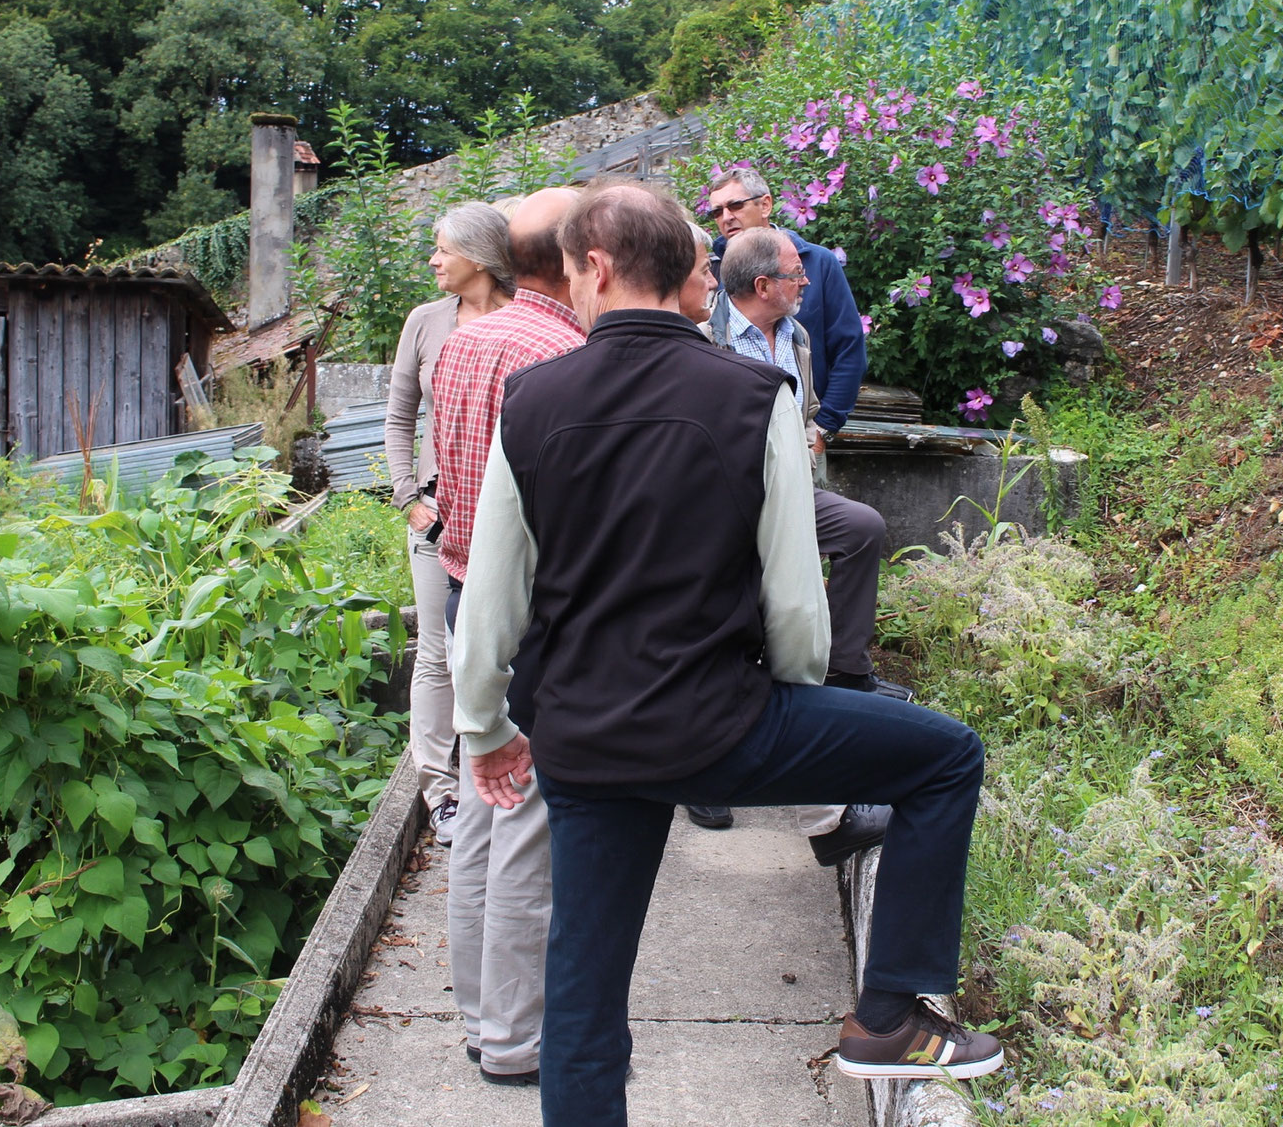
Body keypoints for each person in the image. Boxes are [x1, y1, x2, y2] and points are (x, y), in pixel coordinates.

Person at [451, 183, 999, 1127]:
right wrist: (796, 706)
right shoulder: (754, 395)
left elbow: (496, 591)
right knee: (945, 757)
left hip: (584, 740)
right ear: (681, 272)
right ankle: (887, 1017)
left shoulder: (532, 398)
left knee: (582, 989)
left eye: (572, 271)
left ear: (597, 268)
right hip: (721, 726)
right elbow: (795, 599)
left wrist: (484, 725)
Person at [431, 186, 586, 1088]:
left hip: (463, 592)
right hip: (524, 605)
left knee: (482, 805)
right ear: (569, 259)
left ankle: (476, 1016)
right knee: (526, 815)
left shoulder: (467, 338)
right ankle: (515, 1039)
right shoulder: (558, 352)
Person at [692, 226, 891, 866]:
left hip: (792, 490)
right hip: (725, 500)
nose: (806, 281)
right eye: (794, 274)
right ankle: (703, 775)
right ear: (762, 285)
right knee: (734, 591)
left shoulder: (797, 336)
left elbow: (803, 411)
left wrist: (812, 436)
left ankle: (845, 672)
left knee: (861, 528)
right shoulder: (705, 336)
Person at [383, 202, 516, 848]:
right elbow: (398, 417)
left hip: (510, 511)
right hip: (438, 512)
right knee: (437, 651)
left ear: (481, 256)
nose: (434, 260)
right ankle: (440, 791)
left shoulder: (524, 318)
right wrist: (407, 496)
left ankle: (506, 774)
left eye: (443, 249)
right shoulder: (426, 322)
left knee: (504, 644)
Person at [705, 167, 866, 443]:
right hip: (733, 443)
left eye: (735, 205)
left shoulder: (818, 263)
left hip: (803, 438)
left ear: (765, 205)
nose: (726, 217)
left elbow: (849, 350)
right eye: (717, 212)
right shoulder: (710, 274)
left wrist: (823, 429)